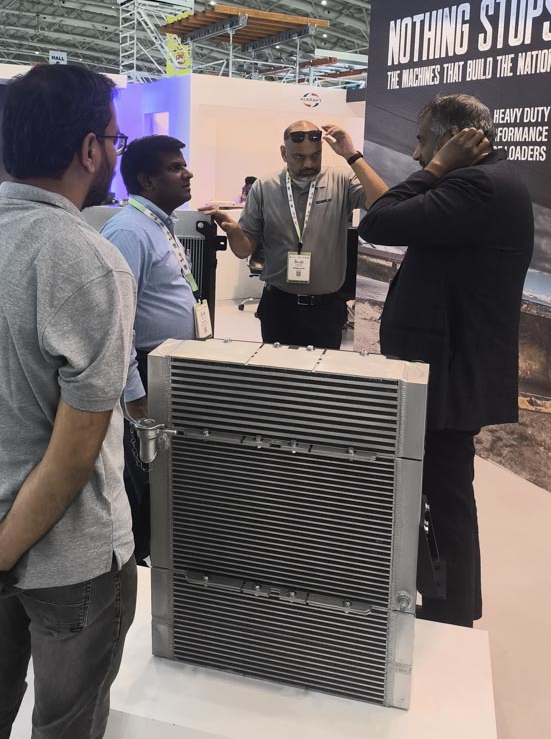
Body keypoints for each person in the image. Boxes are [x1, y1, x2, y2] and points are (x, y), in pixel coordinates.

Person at [0, 64, 143, 738]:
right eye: (114, 140)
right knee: (67, 726)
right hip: (70, 561)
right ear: (90, 149)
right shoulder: (86, 258)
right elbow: (73, 453)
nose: (114, 154)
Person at [358, 94, 534, 627]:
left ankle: (452, 613)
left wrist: (438, 167)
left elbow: (378, 222)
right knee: (441, 491)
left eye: (421, 142)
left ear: (454, 139)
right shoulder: (490, 182)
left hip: (447, 372)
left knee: (445, 495)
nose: (416, 155)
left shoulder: (474, 184)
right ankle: (449, 604)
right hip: (450, 366)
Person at [203, 121, 386, 349]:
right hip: (279, 306)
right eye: (299, 157)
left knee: (321, 371)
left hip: (326, 309)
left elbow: (383, 201)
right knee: (277, 371)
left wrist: (351, 155)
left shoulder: (341, 180)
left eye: (315, 156)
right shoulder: (265, 187)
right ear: (284, 153)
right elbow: (243, 250)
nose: (308, 164)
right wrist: (233, 232)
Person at [100, 135, 197, 565]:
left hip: (164, 365)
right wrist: (135, 395)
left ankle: (157, 543)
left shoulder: (157, 224)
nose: (187, 173)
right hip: (143, 367)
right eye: (176, 167)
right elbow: (117, 323)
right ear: (146, 180)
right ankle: (140, 555)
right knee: (142, 468)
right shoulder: (128, 231)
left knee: (161, 466)